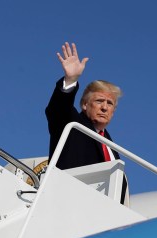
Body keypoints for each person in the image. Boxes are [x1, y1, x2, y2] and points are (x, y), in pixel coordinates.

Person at [45, 42, 127, 202]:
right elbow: (57, 110)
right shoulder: (72, 125)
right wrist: (70, 80)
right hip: (68, 201)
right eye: (99, 101)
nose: (104, 107)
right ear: (84, 105)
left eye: (109, 104)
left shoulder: (111, 147)